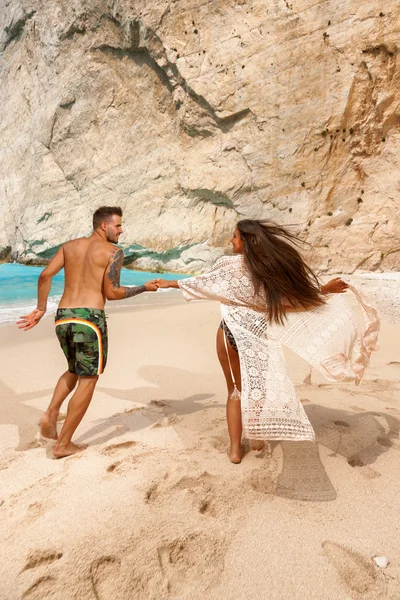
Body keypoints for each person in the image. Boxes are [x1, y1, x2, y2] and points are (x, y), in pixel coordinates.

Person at [156, 220, 379, 464]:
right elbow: (292, 301)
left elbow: (203, 284)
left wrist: (168, 283)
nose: (231, 241)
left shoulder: (229, 266)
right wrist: (323, 290)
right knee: (257, 390)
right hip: (255, 337)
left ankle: (234, 450)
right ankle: (257, 437)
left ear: (246, 242)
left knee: (234, 389)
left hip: (228, 333)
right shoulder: (270, 273)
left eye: (234, 237)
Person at [17, 206, 159, 458]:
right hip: (89, 320)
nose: (121, 230)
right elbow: (112, 293)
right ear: (104, 226)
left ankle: (50, 414)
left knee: (74, 368)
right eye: (118, 225)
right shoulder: (113, 252)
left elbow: (45, 275)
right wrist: (144, 288)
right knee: (89, 378)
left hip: (63, 318)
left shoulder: (69, 246)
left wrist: (40, 308)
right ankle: (63, 444)